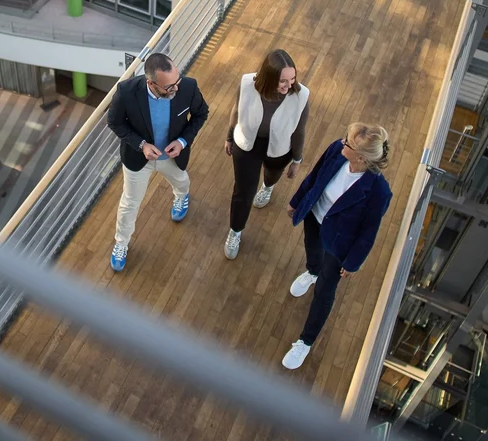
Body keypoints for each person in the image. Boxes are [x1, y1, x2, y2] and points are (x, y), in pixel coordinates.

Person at [281, 122, 393, 370]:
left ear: (361, 157)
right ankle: (311, 271)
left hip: (340, 243)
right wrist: (297, 201)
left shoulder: (378, 192)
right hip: (314, 216)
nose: (343, 142)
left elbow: (368, 233)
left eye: (348, 143)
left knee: (324, 291)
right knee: (311, 251)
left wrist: (352, 263)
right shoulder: (337, 150)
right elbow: (314, 176)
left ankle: (305, 341)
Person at [106, 52, 208, 272]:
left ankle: (182, 198)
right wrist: (141, 144)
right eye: (169, 88)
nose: (176, 89)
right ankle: (121, 243)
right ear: (151, 83)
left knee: (181, 182)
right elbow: (114, 122)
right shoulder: (126, 92)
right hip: (138, 159)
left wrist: (182, 141)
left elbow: (202, 114)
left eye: (177, 82)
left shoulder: (188, 87)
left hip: (172, 156)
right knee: (129, 204)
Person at [222, 49, 310, 260]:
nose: (289, 86)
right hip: (247, 145)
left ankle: (268, 187)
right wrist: (229, 136)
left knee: (271, 175)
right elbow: (236, 110)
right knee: (243, 192)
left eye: (293, 78)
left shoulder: (301, 96)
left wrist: (297, 160)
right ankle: (235, 231)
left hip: (279, 148)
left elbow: (299, 130)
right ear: (268, 78)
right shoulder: (246, 83)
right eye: (283, 81)